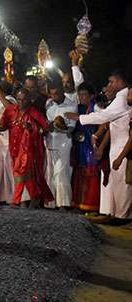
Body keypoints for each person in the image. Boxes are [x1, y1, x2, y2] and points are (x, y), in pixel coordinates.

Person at [65, 71, 132, 219]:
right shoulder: (119, 98)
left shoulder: (123, 99)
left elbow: (104, 117)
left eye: (111, 82)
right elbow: (110, 123)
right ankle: (115, 214)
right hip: (115, 145)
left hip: (123, 146)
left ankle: (122, 216)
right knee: (116, 182)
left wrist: (78, 117)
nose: (108, 85)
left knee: (122, 183)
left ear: (121, 82)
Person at [0, 88, 53, 208]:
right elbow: (3, 125)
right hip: (14, 148)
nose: (21, 102)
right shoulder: (10, 110)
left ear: (29, 100)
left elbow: (45, 129)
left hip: (29, 149)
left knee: (21, 172)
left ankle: (17, 200)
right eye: (19, 99)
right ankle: (34, 197)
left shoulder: (34, 112)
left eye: (24, 100)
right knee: (23, 175)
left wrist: (31, 127)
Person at [44, 80, 77, 209]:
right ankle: (51, 203)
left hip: (64, 142)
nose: (54, 96)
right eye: (52, 94)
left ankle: (63, 204)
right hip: (50, 142)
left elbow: (72, 128)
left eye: (57, 93)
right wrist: (48, 126)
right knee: (50, 174)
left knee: (61, 173)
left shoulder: (72, 104)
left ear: (62, 91)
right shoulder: (49, 105)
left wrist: (60, 127)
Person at [71, 82, 101, 213]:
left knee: (91, 174)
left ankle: (93, 206)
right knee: (81, 173)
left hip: (91, 145)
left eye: (84, 95)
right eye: (80, 95)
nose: (82, 98)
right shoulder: (79, 108)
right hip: (80, 145)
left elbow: (103, 123)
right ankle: (80, 204)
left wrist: (96, 136)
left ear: (92, 95)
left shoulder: (96, 107)